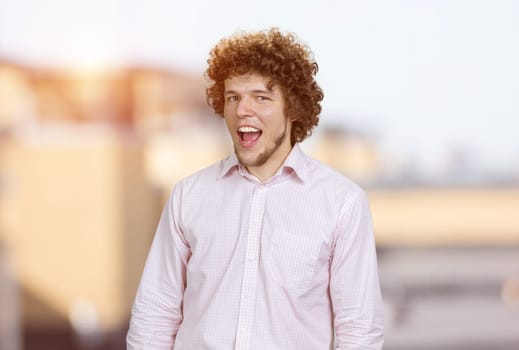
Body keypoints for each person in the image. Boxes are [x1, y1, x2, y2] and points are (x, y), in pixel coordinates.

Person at [127, 28, 384, 350]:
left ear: (293, 108)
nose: (242, 110)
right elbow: (155, 312)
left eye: (261, 97)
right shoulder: (188, 196)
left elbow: (358, 328)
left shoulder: (342, 202)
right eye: (233, 97)